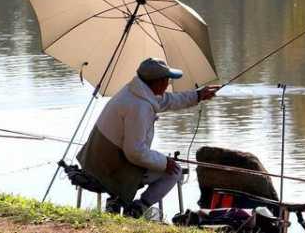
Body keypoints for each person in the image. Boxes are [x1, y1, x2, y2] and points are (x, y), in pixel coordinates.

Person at [76, 58, 219, 217]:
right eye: (167, 80)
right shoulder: (139, 106)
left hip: (97, 158)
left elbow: (168, 101)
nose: (168, 84)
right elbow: (135, 152)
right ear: (158, 82)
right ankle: (137, 209)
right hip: (108, 167)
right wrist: (165, 163)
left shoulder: (135, 91)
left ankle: (118, 200)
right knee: (174, 172)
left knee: (159, 164)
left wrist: (198, 95)